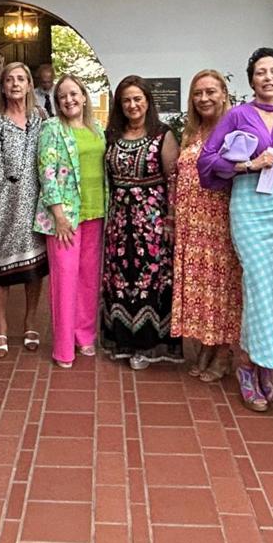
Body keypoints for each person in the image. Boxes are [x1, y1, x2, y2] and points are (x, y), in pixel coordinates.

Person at [199, 48, 273, 412]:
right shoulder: (236, 115)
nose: (268, 78)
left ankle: (265, 368)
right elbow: (208, 161)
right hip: (249, 206)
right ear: (251, 81)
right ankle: (248, 365)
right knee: (258, 282)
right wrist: (247, 164)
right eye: (260, 72)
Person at [100, 75, 182, 370]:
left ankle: (147, 346)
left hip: (152, 223)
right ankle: (123, 340)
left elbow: (173, 181)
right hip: (120, 223)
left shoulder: (163, 135)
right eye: (126, 100)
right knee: (121, 279)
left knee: (149, 280)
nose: (132, 105)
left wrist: (171, 220)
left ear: (148, 101)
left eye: (137, 99)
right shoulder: (111, 135)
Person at [171, 70, 242, 383]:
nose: (204, 99)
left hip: (220, 221)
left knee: (223, 288)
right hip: (190, 224)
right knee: (200, 288)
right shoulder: (191, 131)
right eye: (198, 93)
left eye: (211, 92)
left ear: (224, 93)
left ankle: (224, 351)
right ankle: (205, 344)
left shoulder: (234, 131)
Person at [0, 62, 48, 358]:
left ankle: (30, 321)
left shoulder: (41, 119)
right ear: (2, 86)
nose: (16, 84)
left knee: (34, 269)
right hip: (3, 205)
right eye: (10, 80)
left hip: (35, 204)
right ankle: (2, 326)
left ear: (30, 84)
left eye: (21, 79)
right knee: (2, 270)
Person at [35, 74, 105, 368]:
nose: (69, 100)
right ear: (56, 101)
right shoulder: (52, 128)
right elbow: (46, 171)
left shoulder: (97, 127)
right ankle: (64, 348)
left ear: (84, 96)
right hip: (65, 218)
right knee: (65, 280)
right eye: (62, 96)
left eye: (74, 94)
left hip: (96, 212)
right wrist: (59, 215)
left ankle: (85, 336)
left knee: (89, 279)